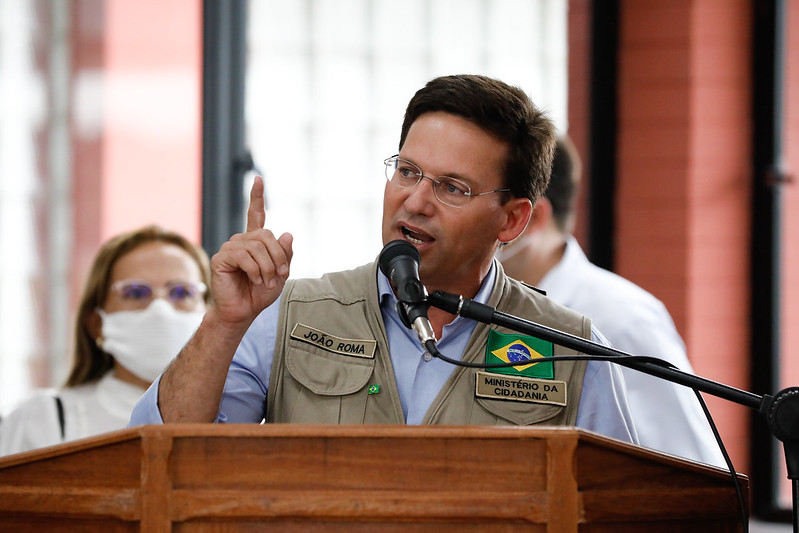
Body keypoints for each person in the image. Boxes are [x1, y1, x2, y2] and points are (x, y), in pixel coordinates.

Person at [130, 74, 637, 443]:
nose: (416, 200)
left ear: (512, 220)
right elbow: (159, 453)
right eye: (408, 171)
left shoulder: (573, 352)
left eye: (452, 187)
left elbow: (620, 510)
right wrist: (224, 321)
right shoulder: (287, 314)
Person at [498, 136, 725, 466]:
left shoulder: (622, 318)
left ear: (531, 218)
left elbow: (691, 466)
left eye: (460, 192)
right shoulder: (457, 305)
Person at [0, 226, 210, 456]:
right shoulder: (46, 419)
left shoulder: (236, 417)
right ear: (96, 322)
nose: (161, 310)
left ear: (209, 310)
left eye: (181, 292)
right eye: (136, 293)